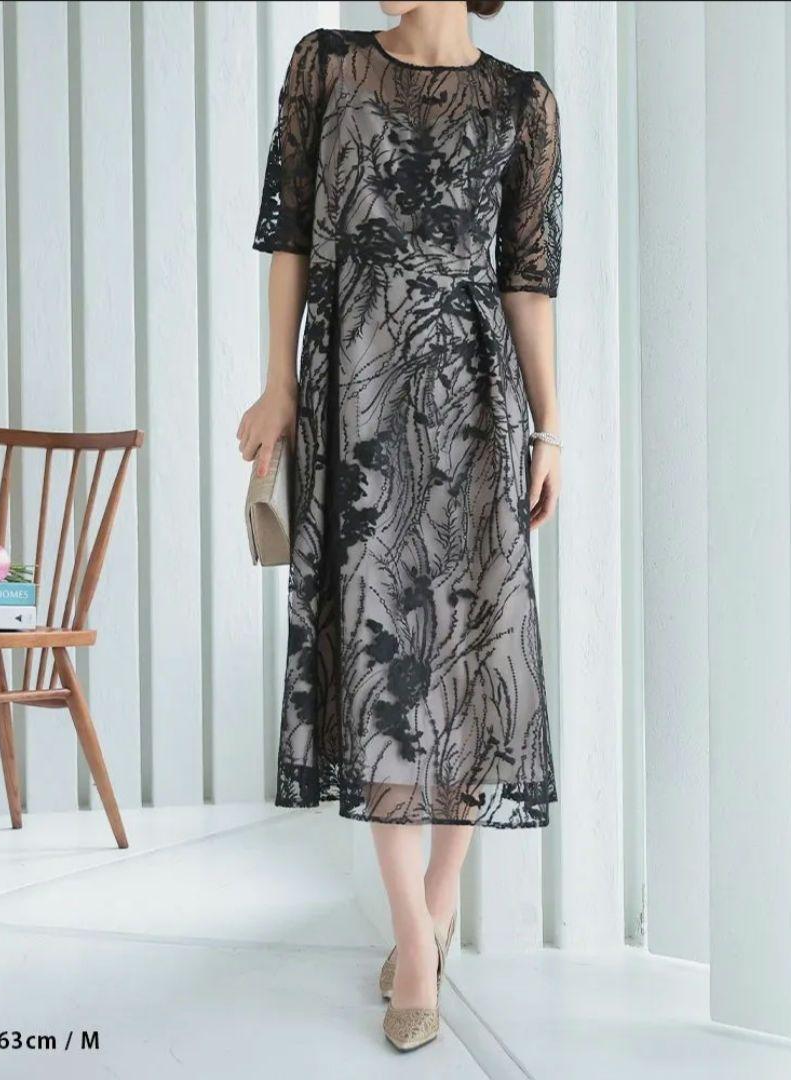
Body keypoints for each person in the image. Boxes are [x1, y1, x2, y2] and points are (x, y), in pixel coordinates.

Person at [237, 0, 562, 1052]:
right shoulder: (326, 67)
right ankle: (413, 940)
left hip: (474, 401)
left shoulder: (521, 101)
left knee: (471, 648)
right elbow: (290, 235)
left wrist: (551, 428)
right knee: (379, 649)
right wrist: (278, 385)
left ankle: (441, 893)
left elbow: (527, 279)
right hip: (357, 395)